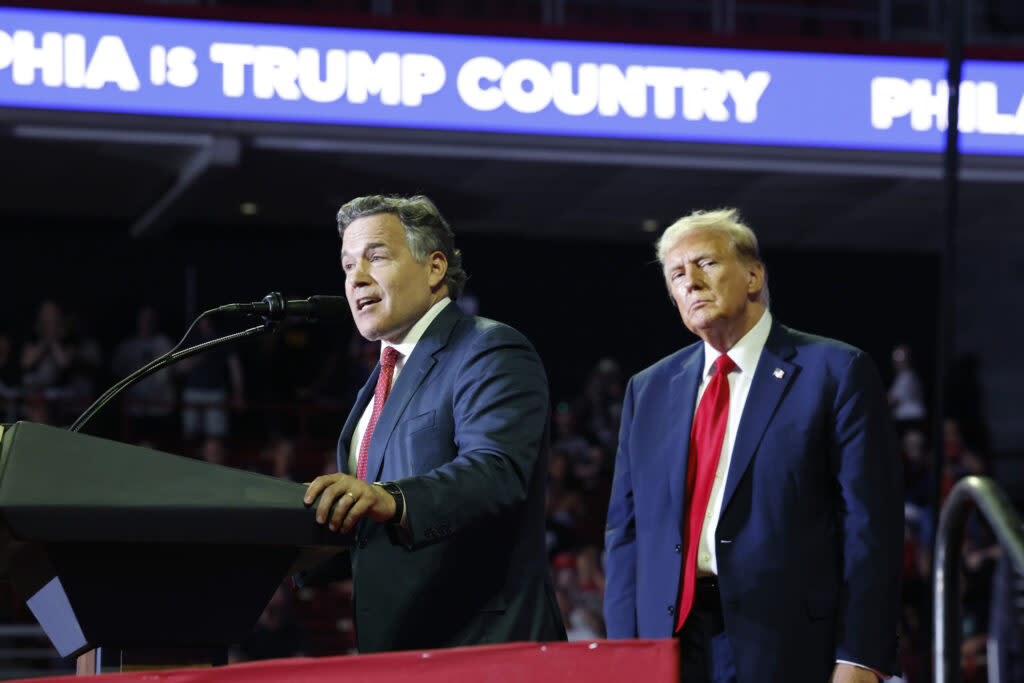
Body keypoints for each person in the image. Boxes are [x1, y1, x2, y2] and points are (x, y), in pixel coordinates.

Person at [603, 208, 902, 683]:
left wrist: (860, 656)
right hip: (670, 642)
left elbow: (871, 527)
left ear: (753, 274)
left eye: (706, 263)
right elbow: (626, 531)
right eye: (676, 275)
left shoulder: (836, 371)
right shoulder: (649, 388)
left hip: (789, 643)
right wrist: (622, 654)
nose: (691, 282)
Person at [302, 194, 565, 653]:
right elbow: (378, 530)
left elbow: (498, 472)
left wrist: (391, 498)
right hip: (400, 647)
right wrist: (289, 551)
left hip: (483, 647)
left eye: (375, 257)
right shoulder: (381, 380)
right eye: (347, 265)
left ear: (434, 268)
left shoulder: (488, 349)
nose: (356, 277)